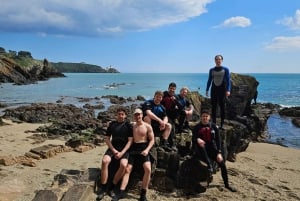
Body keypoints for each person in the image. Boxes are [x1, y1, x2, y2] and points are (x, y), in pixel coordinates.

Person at [112, 108, 155, 201]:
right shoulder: (131, 125)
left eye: (139, 114)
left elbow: (152, 140)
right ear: (134, 116)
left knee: (148, 168)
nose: (138, 116)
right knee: (128, 169)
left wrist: (147, 150)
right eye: (136, 115)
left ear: (142, 115)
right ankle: (121, 192)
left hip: (143, 149)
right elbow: (121, 124)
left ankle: (143, 194)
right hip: (133, 149)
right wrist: (110, 123)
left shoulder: (147, 126)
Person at [192, 109, 236, 192]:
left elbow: (218, 140)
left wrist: (219, 152)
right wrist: (197, 139)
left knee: (222, 163)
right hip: (201, 150)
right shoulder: (197, 127)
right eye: (203, 116)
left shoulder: (214, 126)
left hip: (212, 149)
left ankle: (227, 184)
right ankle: (209, 165)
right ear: (201, 117)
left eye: (206, 116)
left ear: (209, 117)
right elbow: (193, 138)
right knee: (201, 145)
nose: (205, 118)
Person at [96, 107, 133, 201]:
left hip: (124, 149)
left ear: (125, 116)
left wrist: (122, 153)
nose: (120, 116)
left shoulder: (128, 126)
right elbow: (107, 139)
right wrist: (114, 150)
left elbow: (130, 141)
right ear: (116, 115)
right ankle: (103, 188)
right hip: (113, 148)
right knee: (105, 161)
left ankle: (112, 187)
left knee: (124, 164)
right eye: (119, 114)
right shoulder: (112, 124)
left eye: (122, 114)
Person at [205, 54, 231, 129]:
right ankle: (214, 124)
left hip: (222, 90)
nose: (218, 61)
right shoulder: (211, 70)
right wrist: (207, 89)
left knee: (222, 107)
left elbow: (228, 81)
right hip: (214, 90)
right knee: (214, 107)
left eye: (219, 59)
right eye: (216, 59)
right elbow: (209, 80)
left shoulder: (225, 69)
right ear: (215, 60)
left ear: (222, 60)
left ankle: (222, 125)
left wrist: (228, 90)